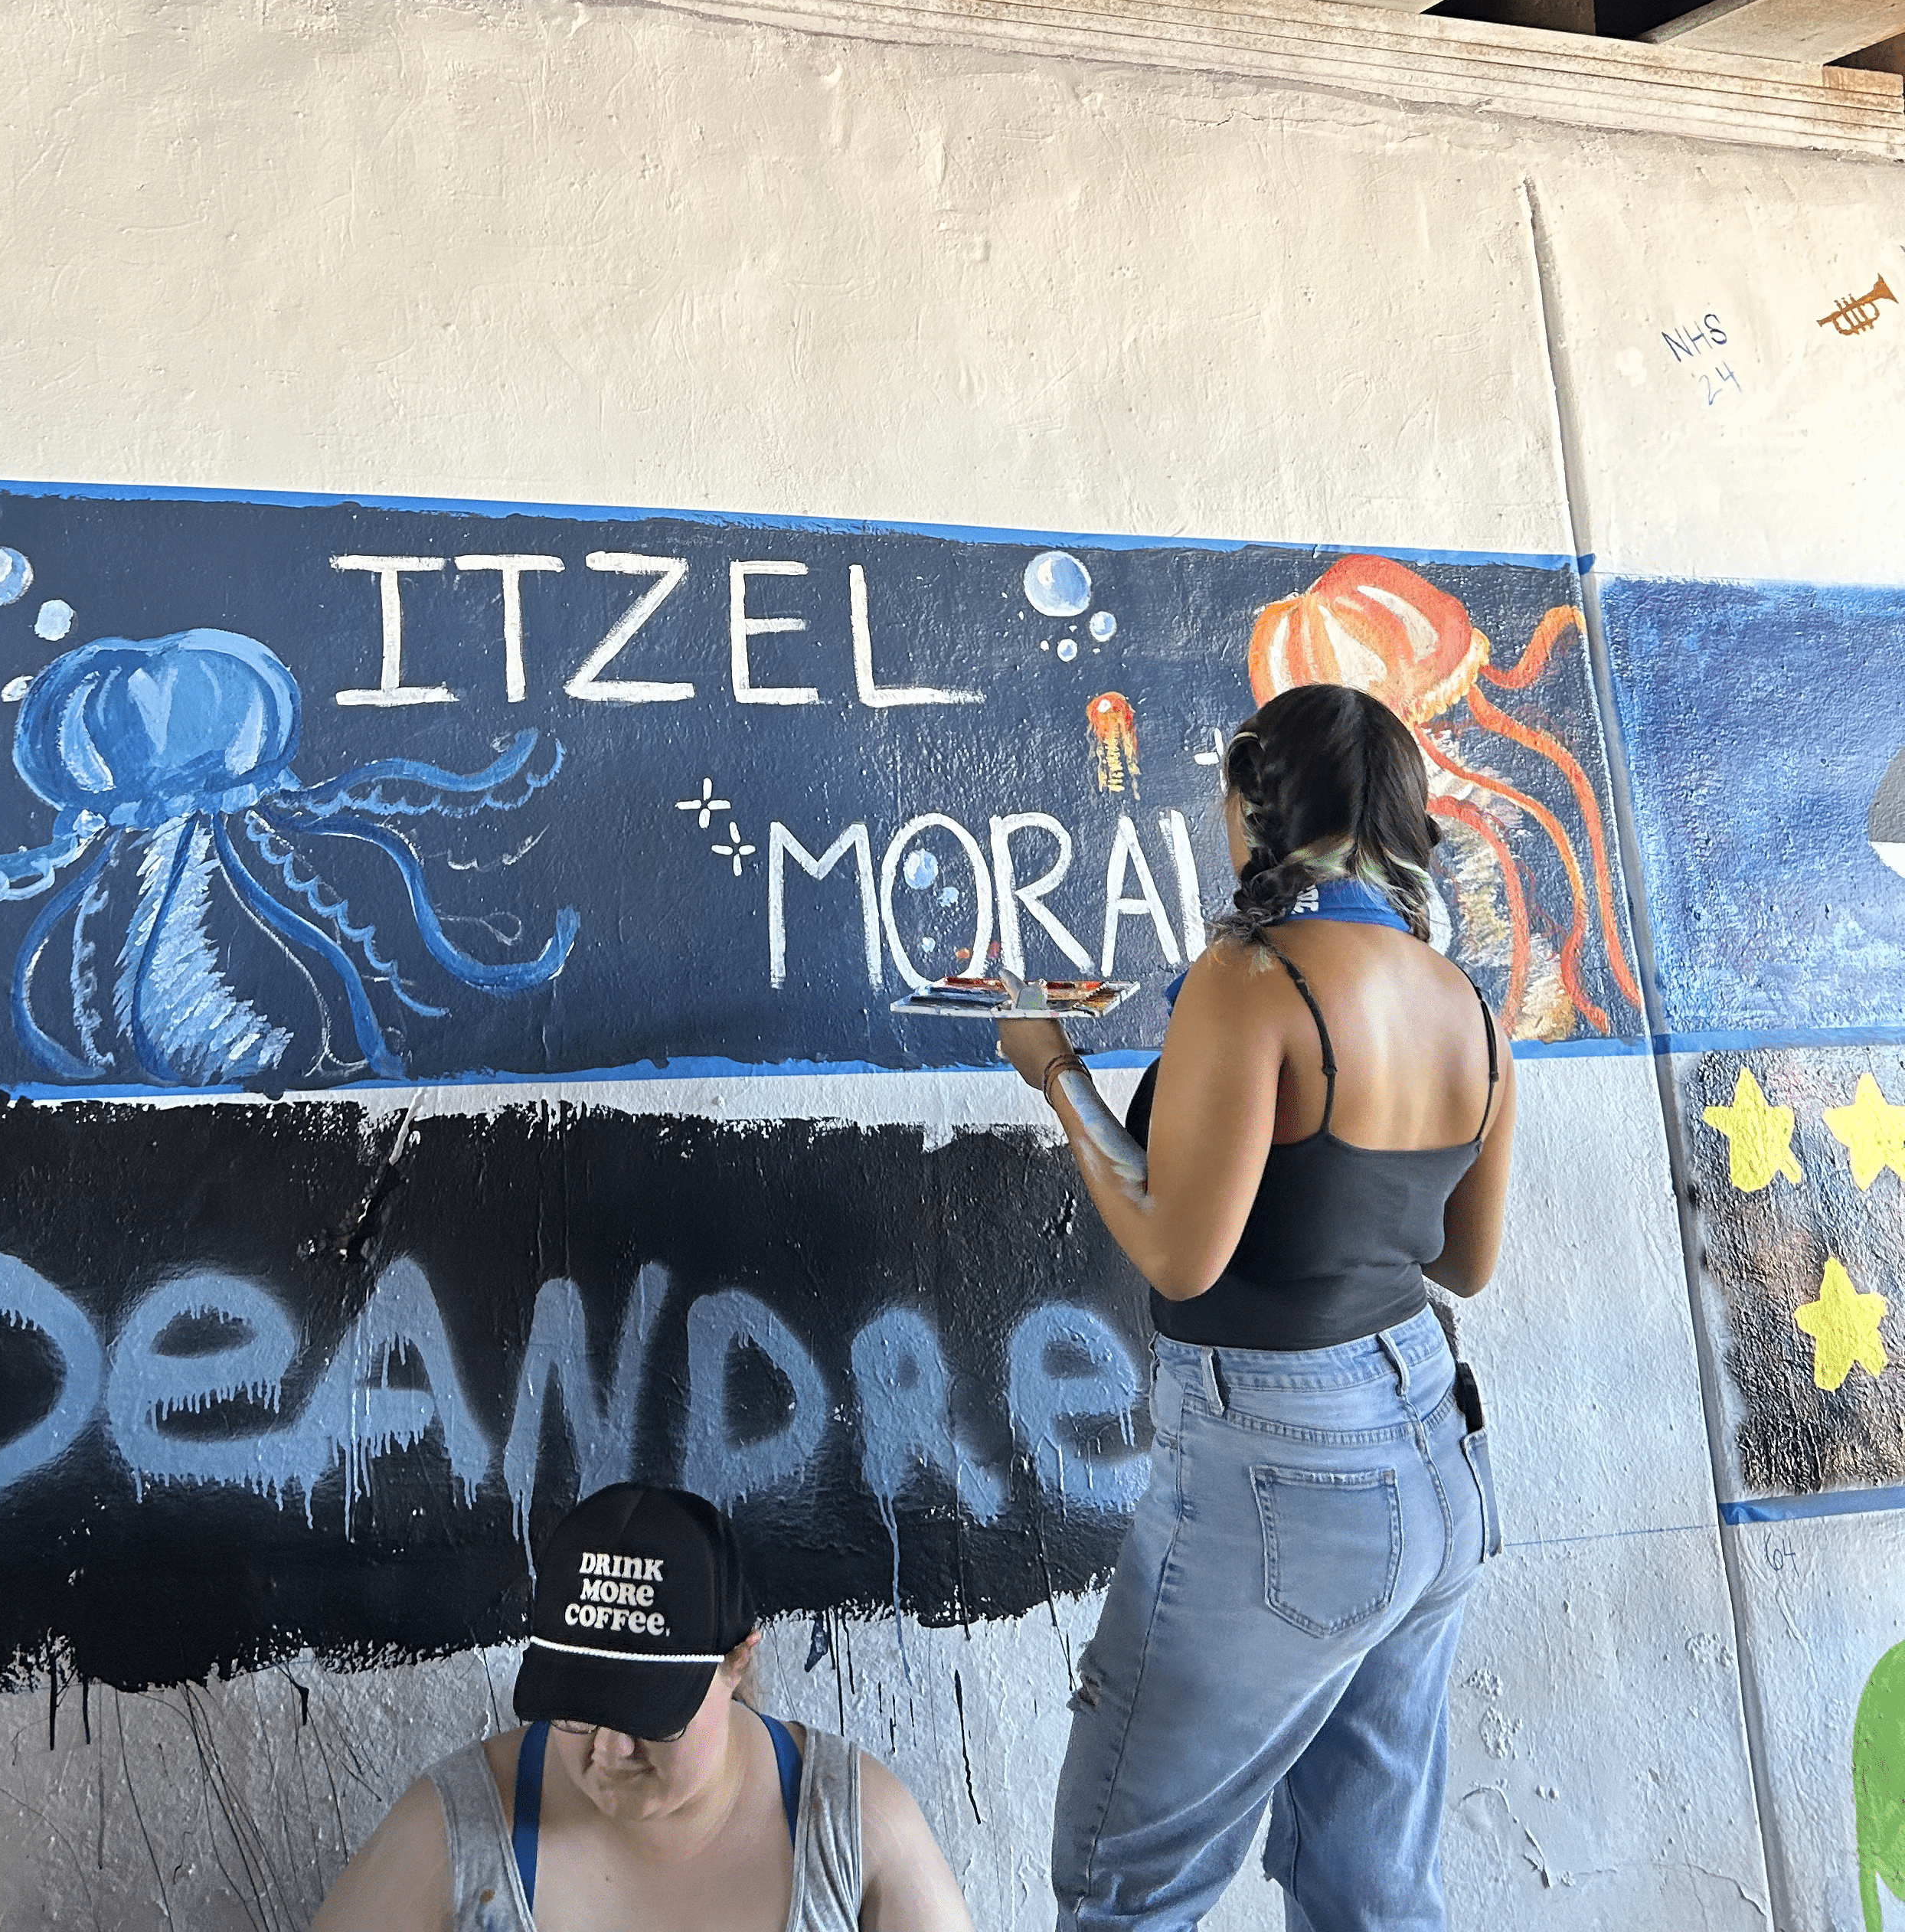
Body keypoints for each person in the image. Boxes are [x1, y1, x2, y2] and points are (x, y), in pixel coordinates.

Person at [998, 682, 1520, 1932]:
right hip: (1435, 1453)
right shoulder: (1467, 1003)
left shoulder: (1249, 978)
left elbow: (1180, 1258)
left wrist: (1053, 1072)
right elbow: (1464, 1262)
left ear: (1252, 805)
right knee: (1367, 1886)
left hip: (1283, 1462)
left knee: (1126, 1882)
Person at [312, 1480, 976, 1932]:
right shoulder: (459, 1829)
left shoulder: (852, 1827)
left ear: (735, 1661)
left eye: (646, 1715)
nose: (609, 1750)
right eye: (575, 1709)